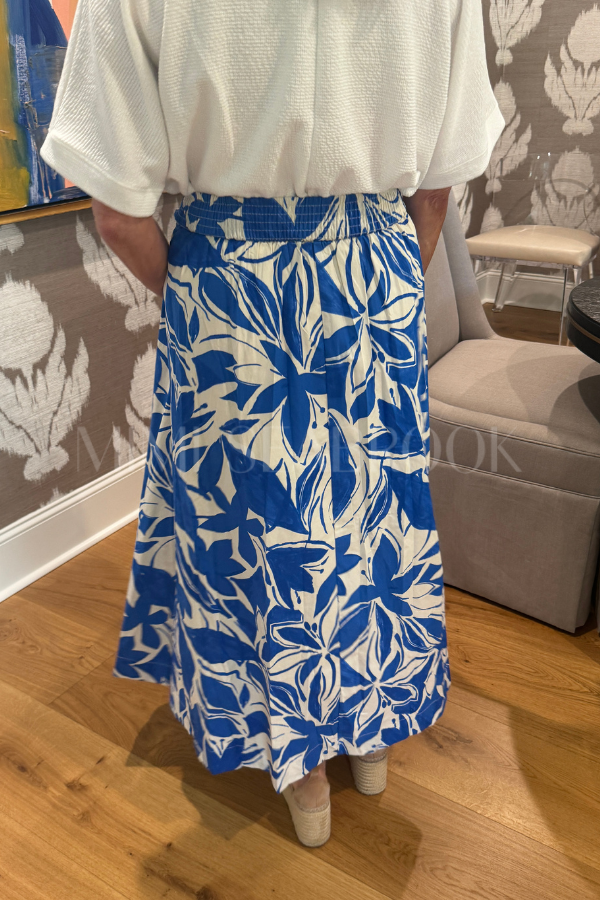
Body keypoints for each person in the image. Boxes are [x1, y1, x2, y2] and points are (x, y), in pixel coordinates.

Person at [41, 0, 503, 848]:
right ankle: (369, 735)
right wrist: (382, 288)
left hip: (230, 282)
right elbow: (439, 182)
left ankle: (299, 768)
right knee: (371, 520)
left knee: (259, 529)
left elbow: (116, 208)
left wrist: (203, 291)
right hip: (375, 272)